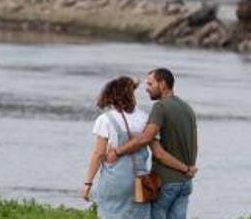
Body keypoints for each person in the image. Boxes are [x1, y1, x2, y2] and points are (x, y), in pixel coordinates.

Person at [82, 76, 194, 218]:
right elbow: (159, 153)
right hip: (140, 182)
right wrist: (185, 168)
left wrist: (88, 183)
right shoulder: (145, 118)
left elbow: (98, 154)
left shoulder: (105, 120)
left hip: (115, 180)